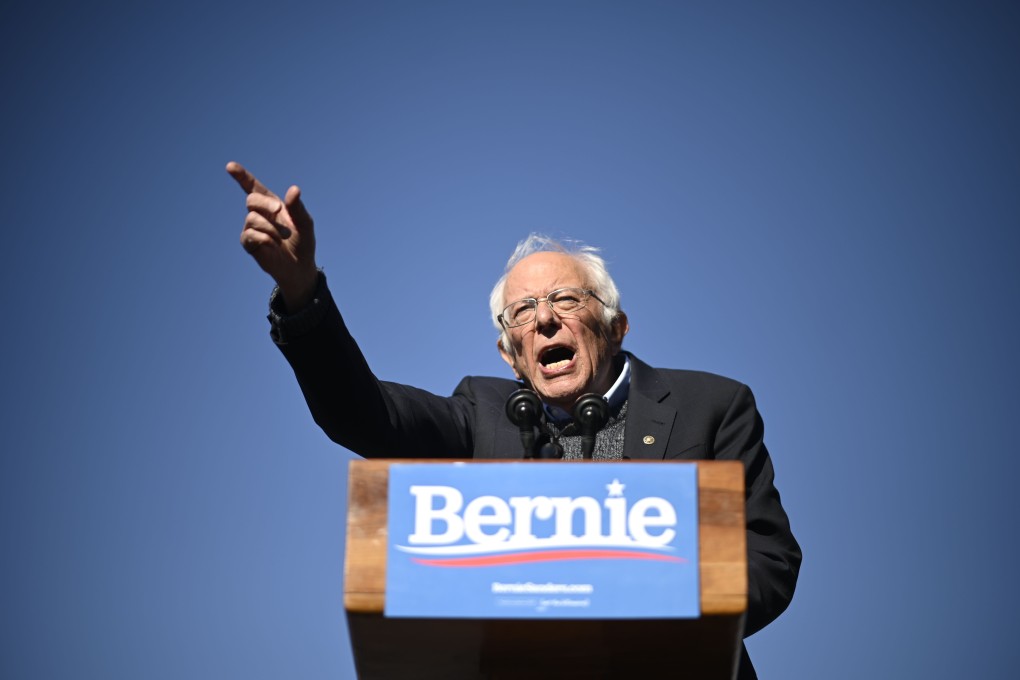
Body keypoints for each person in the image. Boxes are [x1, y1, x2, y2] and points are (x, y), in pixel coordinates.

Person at [228, 162, 801, 678]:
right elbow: (364, 414)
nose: (545, 320)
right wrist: (301, 292)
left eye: (567, 300)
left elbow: (769, 562)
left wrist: (653, 602)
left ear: (617, 326)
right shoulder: (482, 414)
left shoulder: (712, 405)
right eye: (523, 311)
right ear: (510, 354)